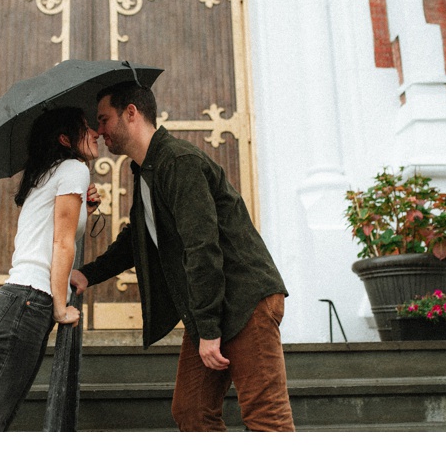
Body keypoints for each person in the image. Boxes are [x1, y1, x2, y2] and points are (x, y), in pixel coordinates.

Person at [69, 81, 294, 431]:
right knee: (191, 410)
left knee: (267, 419)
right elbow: (136, 240)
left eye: (103, 119)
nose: (99, 131)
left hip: (244, 299)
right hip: (211, 306)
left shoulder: (178, 162)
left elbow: (201, 247)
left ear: (131, 113)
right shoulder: (146, 171)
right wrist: (88, 273)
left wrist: (207, 329)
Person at [0, 107, 101, 431]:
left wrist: (85, 211)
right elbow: (61, 245)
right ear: (65, 139)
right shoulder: (74, 169)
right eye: (87, 128)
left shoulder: (49, 173)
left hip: (20, 304)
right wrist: (61, 308)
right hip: (27, 303)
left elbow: (48, 236)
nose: (96, 133)